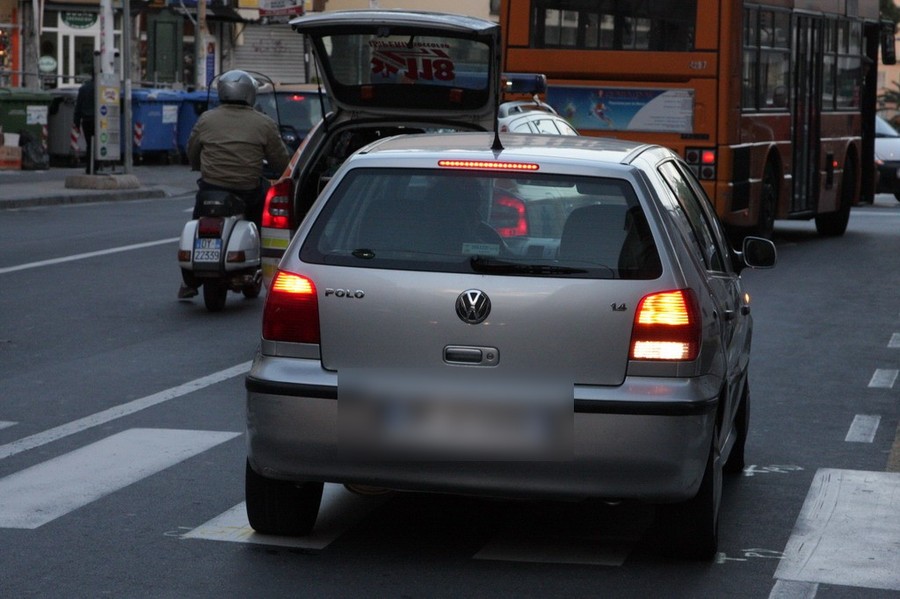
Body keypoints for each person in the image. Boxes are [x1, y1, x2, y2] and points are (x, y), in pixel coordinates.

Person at [179, 69, 291, 299]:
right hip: (247, 189)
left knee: (198, 218)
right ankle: (259, 259)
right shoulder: (264, 123)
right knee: (264, 217)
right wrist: (284, 172)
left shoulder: (207, 119)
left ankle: (188, 282)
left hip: (211, 187)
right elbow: (281, 161)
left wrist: (198, 165)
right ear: (250, 94)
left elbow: (192, 151)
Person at [73, 73, 95, 174]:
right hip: (99, 120)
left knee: (89, 144)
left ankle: (89, 167)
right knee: (98, 143)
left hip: (86, 119)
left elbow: (78, 107)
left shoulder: (83, 89)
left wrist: (76, 123)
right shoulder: (101, 88)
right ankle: (96, 165)